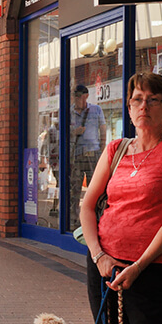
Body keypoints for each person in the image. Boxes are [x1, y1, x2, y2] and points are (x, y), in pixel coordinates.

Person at [81, 72, 162, 324]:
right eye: (137, 100)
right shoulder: (116, 149)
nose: (144, 106)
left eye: (153, 99)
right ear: (129, 109)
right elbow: (87, 206)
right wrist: (99, 255)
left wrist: (139, 265)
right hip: (105, 269)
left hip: (151, 272)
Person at [70, 84, 106, 229]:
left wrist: (103, 148)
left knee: (96, 188)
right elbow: (61, 133)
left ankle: (97, 219)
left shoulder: (96, 110)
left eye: (79, 96)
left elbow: (102, 129)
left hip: (93, 153)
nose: (77, 99)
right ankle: (74, 220)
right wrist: (74, 132)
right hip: (77, 155)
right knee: (75, 189)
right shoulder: (69, 112)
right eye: (75, 96)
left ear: (86, 96)